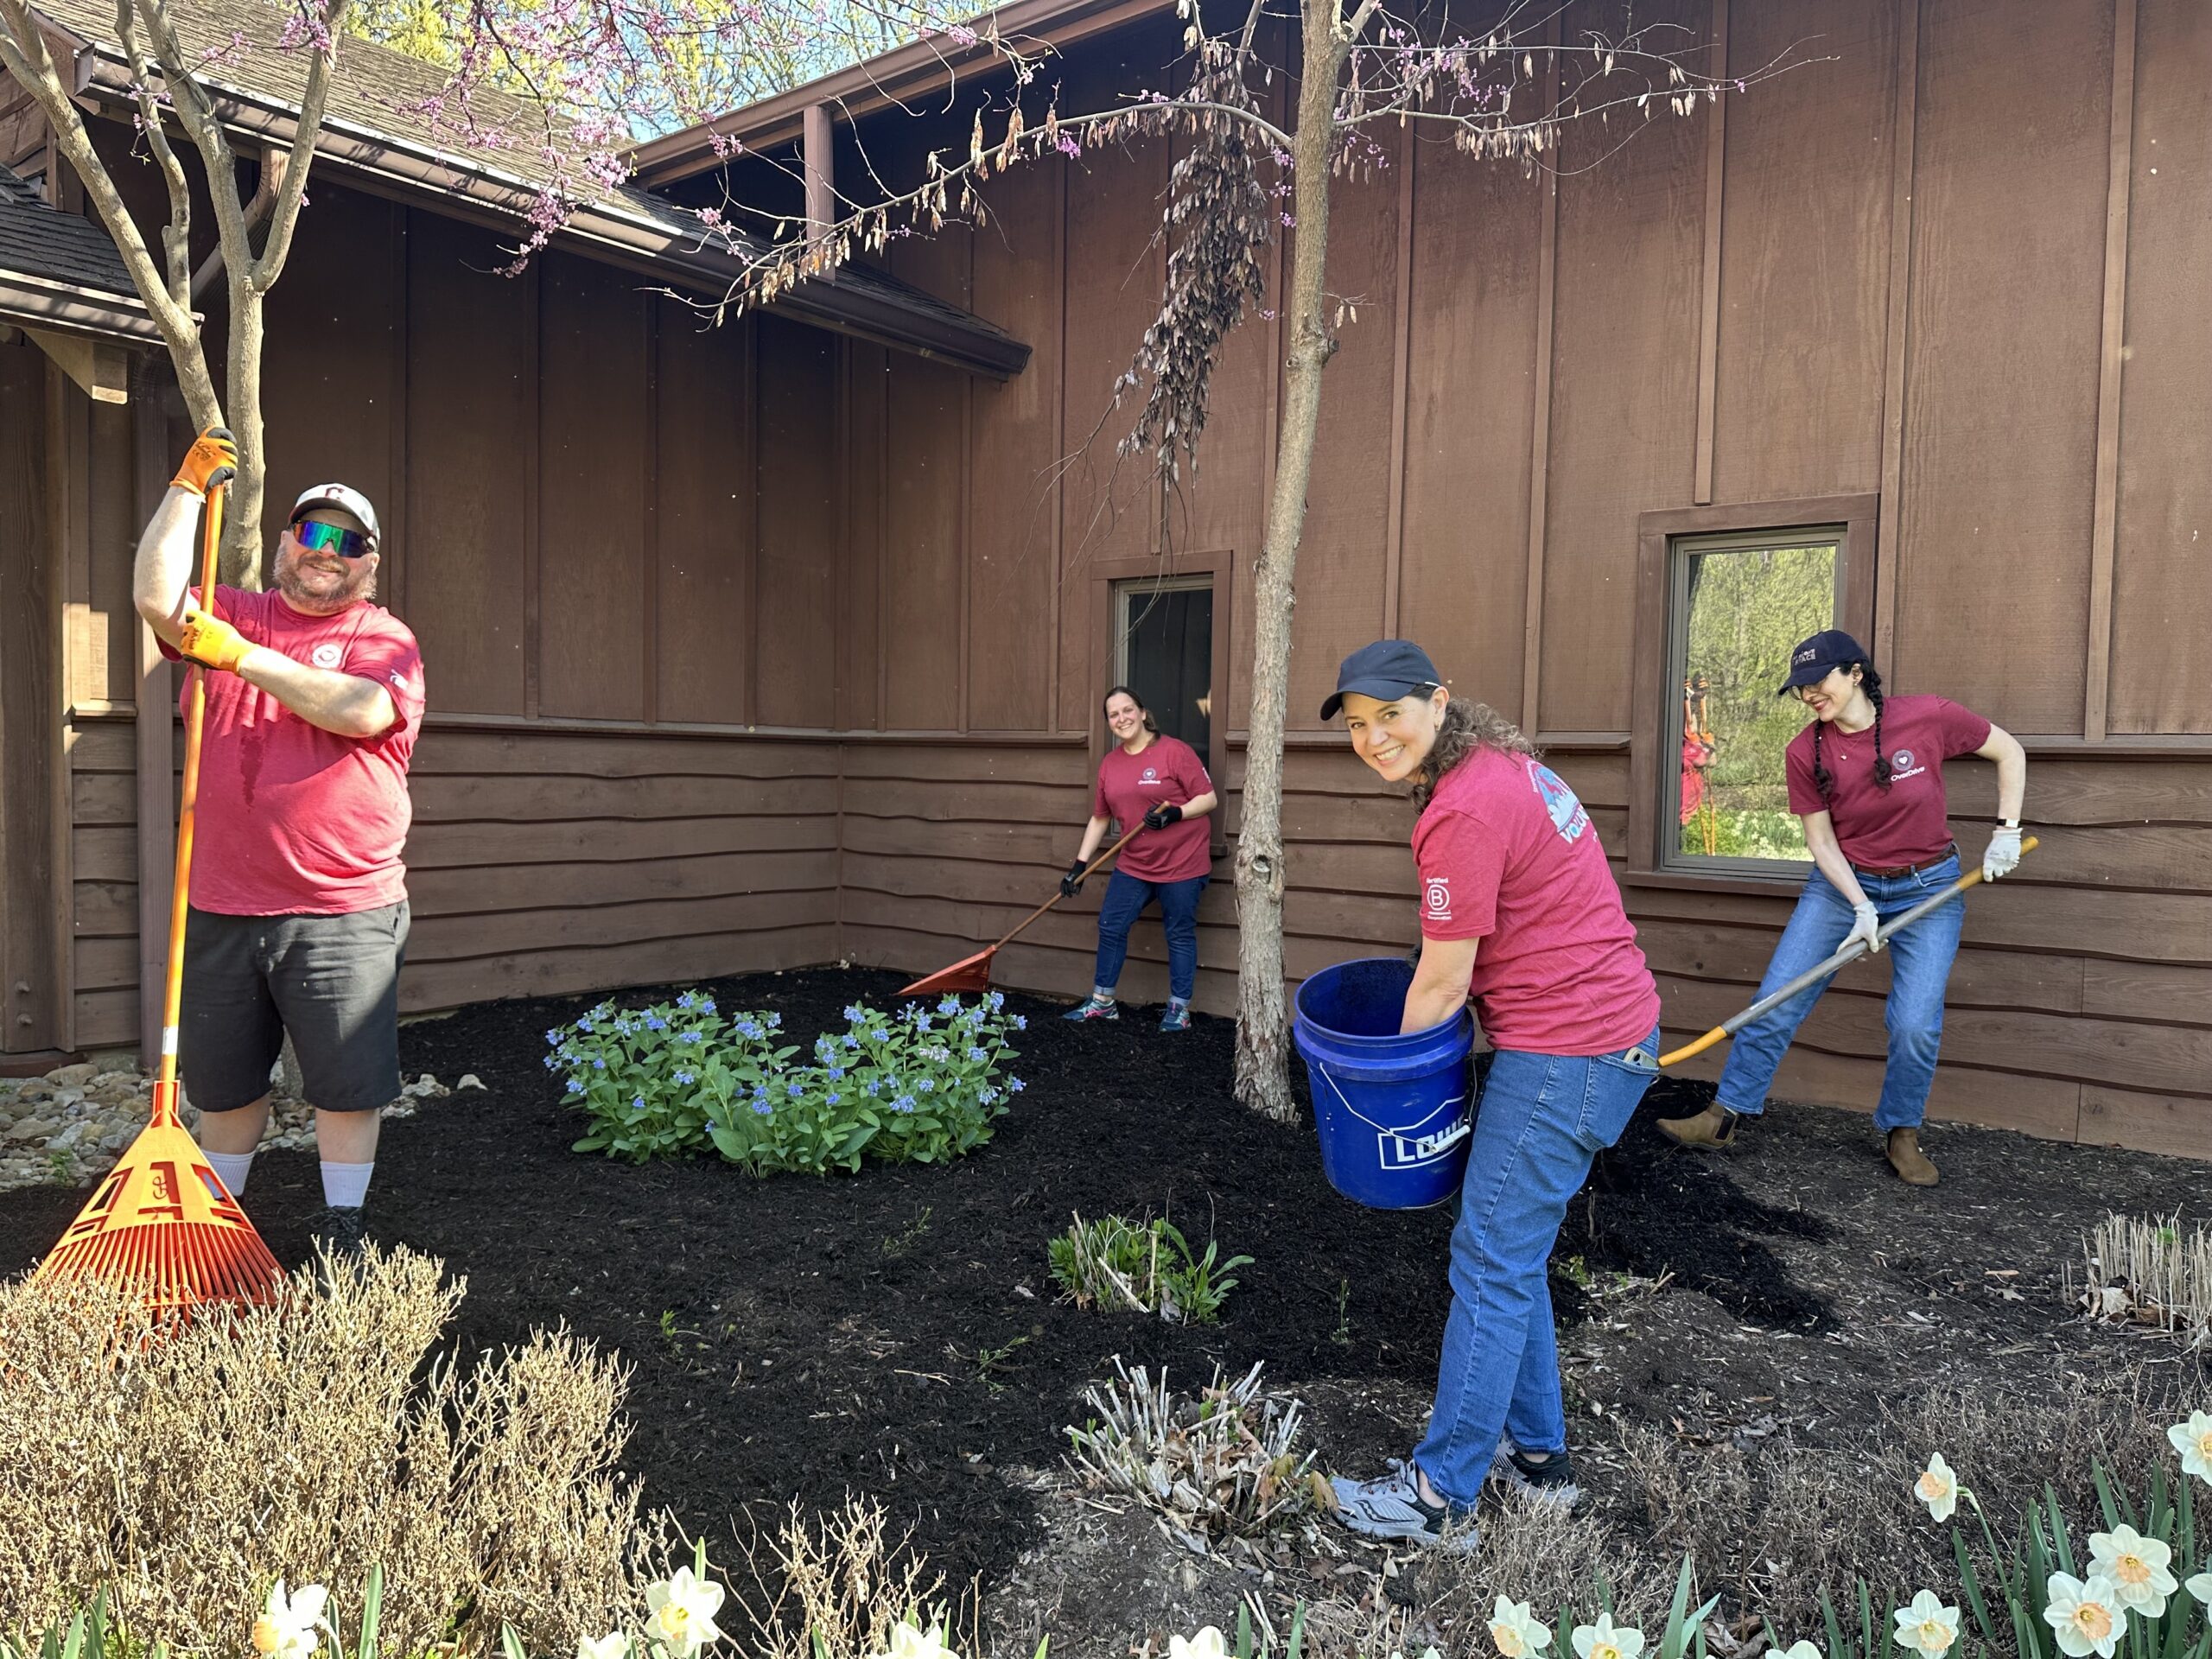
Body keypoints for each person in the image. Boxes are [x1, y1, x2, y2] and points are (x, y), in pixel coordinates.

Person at [1318, 640, 1662, 1550]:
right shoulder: (1503, 768)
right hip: (1601, 1034)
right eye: (1356, 725)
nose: (1373, 737)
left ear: (1437, 702)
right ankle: (1540, 1465)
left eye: (1388, 714)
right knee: (1507, 1253)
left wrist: (1383, 1092)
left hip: (1569, 1049)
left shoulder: (1462, 809)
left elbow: (1440, 982)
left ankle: (1440, 1495)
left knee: (1487, 1261)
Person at [133, 429, 426, 1256]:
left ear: (370, 563)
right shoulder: (234, 610)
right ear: (287, 542)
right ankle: (221, 1233)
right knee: (222, 1086)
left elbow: (361, 711)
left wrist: (241, 659)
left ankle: (341, 1230)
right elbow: (157, 600)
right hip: (222, 901)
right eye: (313, 532)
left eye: (349, 541)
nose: (327, 551)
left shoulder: (385, 638)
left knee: (344, 1087)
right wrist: (187, 489)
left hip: (341, 907)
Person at [1657, 631, 2025, 1185]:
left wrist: (2007, 832)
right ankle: (1722, 1116)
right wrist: (1859, 906)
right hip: (1841, 886)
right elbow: (1822, 844)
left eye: (1817, 681)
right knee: (1777, 999)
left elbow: (2009, 751)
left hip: (1929, 888)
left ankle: (1902, 1132)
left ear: (1855, 673)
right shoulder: (1806, 751)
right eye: (1800, 688)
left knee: (1914, 1024)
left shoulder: (1927, 717)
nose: (1808, 695)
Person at [1059, 686, 1218, 1031]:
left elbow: (1208, 799)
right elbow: (1101, 817)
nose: (1122, 718)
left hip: (1182, 863)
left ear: (1143, 713)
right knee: (1111, 925)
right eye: (1114, 715)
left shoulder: (1174, 752)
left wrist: (1174, 814)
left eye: (1127, 710)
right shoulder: (1110, 765)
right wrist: (1079, 866)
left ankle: (1179, 1009)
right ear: (1109, 724)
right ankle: (1102, 1003)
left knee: (1178, 933)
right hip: (1135, 864)